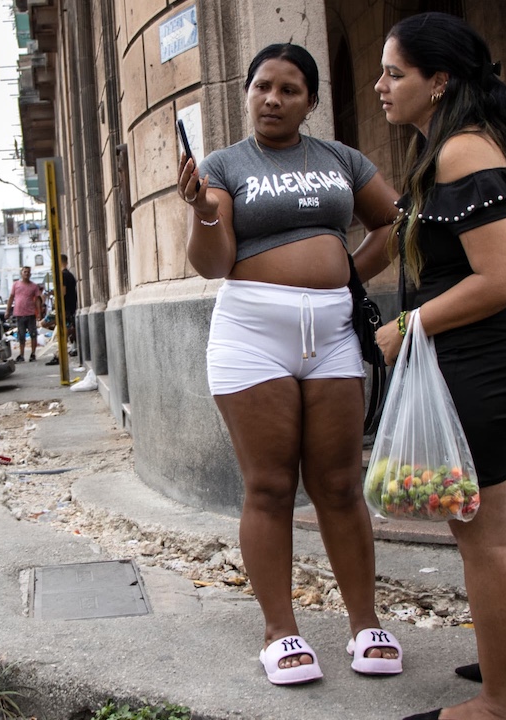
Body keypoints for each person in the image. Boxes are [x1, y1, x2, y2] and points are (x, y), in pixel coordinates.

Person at [178, 43, 404, 686]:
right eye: (263, 87)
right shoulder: (224, 164)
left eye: (290, 89)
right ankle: (281, 633)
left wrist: (343, 282)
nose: (274, 99)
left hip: (332, 331)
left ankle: (366, 624)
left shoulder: (340, 159)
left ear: (310, 100)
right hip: (252, 332)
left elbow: (393, 223)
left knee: (338, 483)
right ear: (246, 93)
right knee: (271, 486)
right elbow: (213, 263)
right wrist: (201, 209)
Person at [370, 12, 506, 720]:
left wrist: (407, 325)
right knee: (500, 526)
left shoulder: (462, 153)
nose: (381, 87)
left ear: (439, 80)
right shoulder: (448, 150)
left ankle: (501, 704)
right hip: (490, 364)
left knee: (482, 536)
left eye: (395, 73)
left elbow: (502, 278)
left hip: (489, 365)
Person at [6, 266, 43, 362]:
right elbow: (11, 297)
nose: (26, 273)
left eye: (28, 272)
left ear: (30, 274)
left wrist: (38, 312)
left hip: (30, 314)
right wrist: (7, 310)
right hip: (19, 313)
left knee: (33, 334)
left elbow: (38, 300)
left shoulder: (34, 286)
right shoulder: (16, 285)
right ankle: (21, 355)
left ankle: (33, 354)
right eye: (25, 272)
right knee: (21, 335)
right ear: (21, 273)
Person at [46, 253, 78, 365]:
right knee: (63, 332)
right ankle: (59, 355)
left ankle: (59, 355)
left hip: (65, 309)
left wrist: (56, 298)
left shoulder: (63, 275)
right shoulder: (70, 275)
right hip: (70, 308)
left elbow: (63, 292)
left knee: (60, 333)